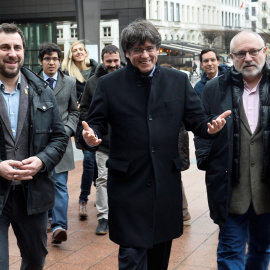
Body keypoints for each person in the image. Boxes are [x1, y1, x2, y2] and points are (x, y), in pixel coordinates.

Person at [79, 19, 230, 270]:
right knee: (131, 253)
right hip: (128, 183)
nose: (145, 54)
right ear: (127, 53)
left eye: (150, 48)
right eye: (137, 49)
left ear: (157, 49)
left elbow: (197, 119)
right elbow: (93, 122)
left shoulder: (177, 81)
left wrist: (209, 127)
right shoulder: (108, 84)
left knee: (160, 250)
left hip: (164, 180)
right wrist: (90, 136)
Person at [195, 30, 270, 269]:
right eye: (241, 53)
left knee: (261, 250)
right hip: (230, 189)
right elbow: (202, 129)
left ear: (264, 52)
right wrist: (206, 153)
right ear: (231, 57)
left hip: (267, 191)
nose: (248, 58)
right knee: (229, 252)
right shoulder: (214, 88)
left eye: (253, 51)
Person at [0, 23, 68, 269]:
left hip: (33, 193)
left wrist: (41, 161)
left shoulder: (42, 91)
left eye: (17, 47)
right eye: (4, 47)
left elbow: (60, 138)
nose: (12, 53)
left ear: (23, 52)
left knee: (35, 259)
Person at [78, 44, 122, 235]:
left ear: (120, 59)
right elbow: (84, 109)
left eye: (115, 61)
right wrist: (94, 126)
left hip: (126, 142)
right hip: (103, 142)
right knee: (102, 179)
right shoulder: (93, 82)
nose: (112, 64)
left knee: (124, 179)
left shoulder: (129, 77)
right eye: (109, 61)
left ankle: (121, 215)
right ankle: (103, 217)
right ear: (103, 61)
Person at [38, 43, 79, 244]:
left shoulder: (70, 82)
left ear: (60, 61)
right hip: (37, 143)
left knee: (60, 184)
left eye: (55, 58)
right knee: (40, 182)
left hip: (61, 141)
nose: (51, 62)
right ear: (41, 61)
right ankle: (45, 218)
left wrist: (69, 129)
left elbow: (74, 111)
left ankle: (59, 226)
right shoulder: (31, 81)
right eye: (47, 59)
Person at [62, 40, 97, 219]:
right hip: (82, 122)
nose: (78, 52)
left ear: (86, 52)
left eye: (81, 49)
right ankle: (83, 200)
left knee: (98, 164)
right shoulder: (68, 74)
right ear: (71, 54)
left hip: (99, 121)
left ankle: (100, 189)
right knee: (90, 160)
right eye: (74, 50)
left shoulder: (98, 70)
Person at [160, 63, 191, 225]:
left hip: (175, 143)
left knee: (173, 176)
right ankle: (182, 211)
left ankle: (183, 211)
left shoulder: (175, 93)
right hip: (176, 141)